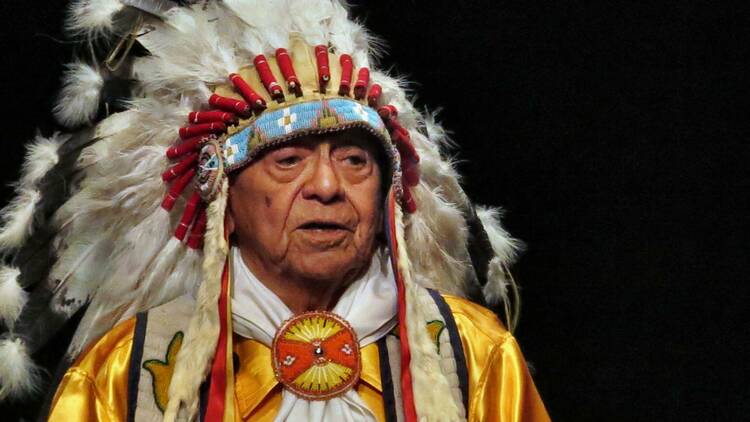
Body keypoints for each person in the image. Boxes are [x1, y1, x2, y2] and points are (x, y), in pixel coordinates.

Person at [0, 1, 549, 421]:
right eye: (287, 161)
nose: (328, 186)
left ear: (388, 191)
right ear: (224, 204)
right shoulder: (125, 371)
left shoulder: (473, 356)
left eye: (356, 160)